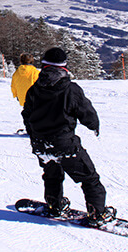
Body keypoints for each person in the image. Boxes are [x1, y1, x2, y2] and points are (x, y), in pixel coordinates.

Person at [21, 47, 115, 226]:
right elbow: (86, 112)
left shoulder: (34, 89)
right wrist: (94, 126)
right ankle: (98, 213)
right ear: (64, 67)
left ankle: (54, 205)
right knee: (89, 178)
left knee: (51, 173)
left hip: (41, 143)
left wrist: (34, 135)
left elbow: (26, 115)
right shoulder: (71, 89)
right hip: (64, 144)